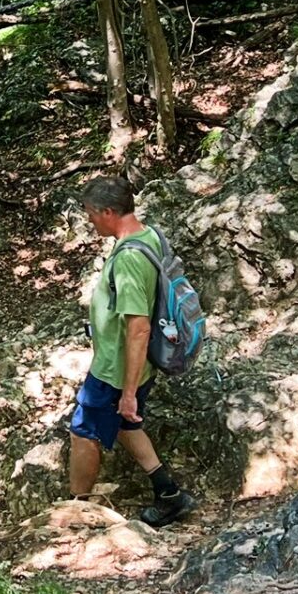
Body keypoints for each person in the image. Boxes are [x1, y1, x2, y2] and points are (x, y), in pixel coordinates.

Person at [69, 175, 195, 525]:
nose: (89, 220)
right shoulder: (148, 235)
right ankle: (169, 494)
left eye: (91, 213)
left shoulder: (128, 259)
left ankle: (75, 510)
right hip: (139, 365)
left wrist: (127, 392)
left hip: (116, 368)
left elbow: (138, 328)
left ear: (109, 212)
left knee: (84, 430)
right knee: (127, 424)